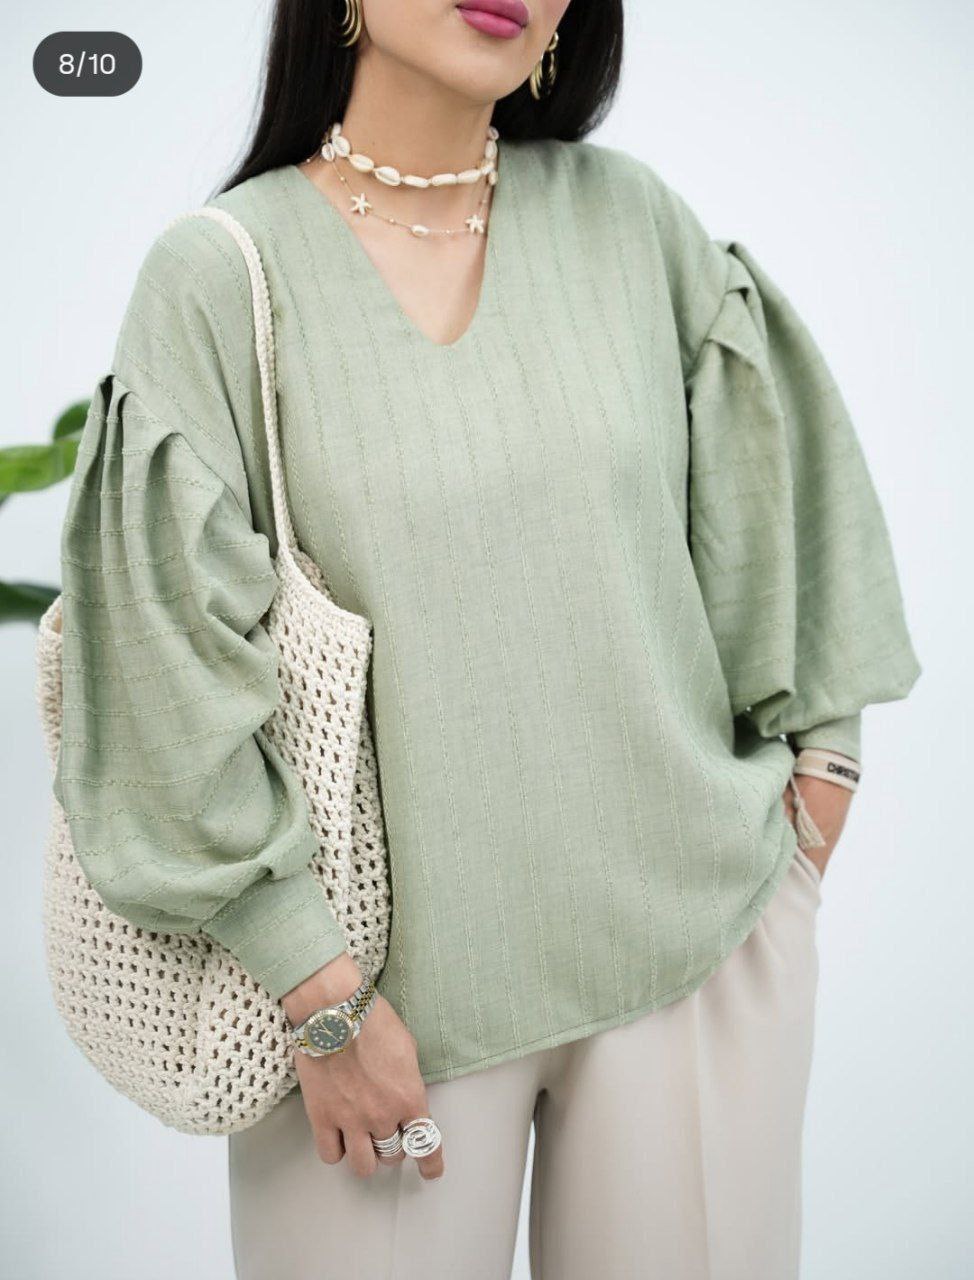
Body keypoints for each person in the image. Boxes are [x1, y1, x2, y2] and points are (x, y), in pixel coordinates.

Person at [53, 1, 921, 1276]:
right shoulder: (223, 274)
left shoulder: (632, 222)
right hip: (368, 1011)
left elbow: (777, 508)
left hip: (695, 952)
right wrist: (317, 993)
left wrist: (819, 778)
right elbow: (159, 662)